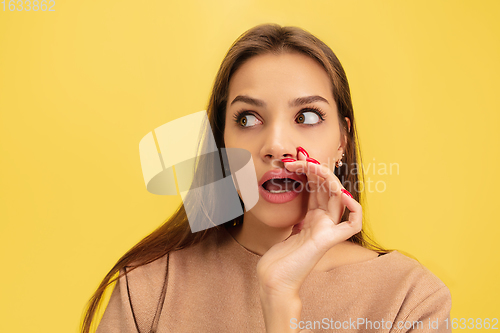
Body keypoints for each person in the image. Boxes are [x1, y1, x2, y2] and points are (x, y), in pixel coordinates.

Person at [80, 23, 452, 333]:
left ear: (342, 140)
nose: (275, 146)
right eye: (247, 119)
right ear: (220, 142)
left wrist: (280, 303)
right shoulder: (147, 290)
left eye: (306, 116)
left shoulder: (410, 299)